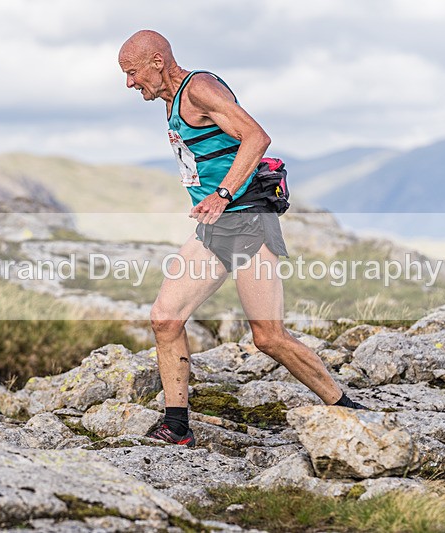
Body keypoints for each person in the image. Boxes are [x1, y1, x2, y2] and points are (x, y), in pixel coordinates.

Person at [118, 30, 366, 447]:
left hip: (248, 221)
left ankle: (348, 409)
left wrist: (222, 194)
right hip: (217, 228)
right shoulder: (172, 101)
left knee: (268, 336)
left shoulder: (199, 88)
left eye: (132, 73)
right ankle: (176, 426)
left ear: (157, 61)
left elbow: (256, 137)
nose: (129, 84)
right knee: (165, 317)